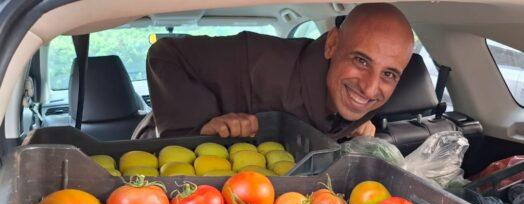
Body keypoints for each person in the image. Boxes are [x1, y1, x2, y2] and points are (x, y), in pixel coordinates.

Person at [145, 3, 414, 140]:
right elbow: (165, 54)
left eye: (389, 74)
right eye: (361, 61)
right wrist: (203, 124)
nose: (369, 88)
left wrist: (349, 125)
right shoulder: (256, 59)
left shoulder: (365, 101)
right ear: (332, 44)